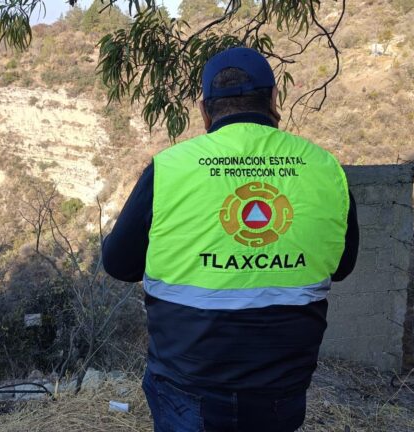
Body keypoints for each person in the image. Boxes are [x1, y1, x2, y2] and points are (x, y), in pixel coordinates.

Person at [102, 47, 359, 432]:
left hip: (187, 384)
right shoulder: (325, 169)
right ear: (274, 100)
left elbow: (118, 264)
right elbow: (343, 266)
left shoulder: (169, 169)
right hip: (280, 388)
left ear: (205, 110)